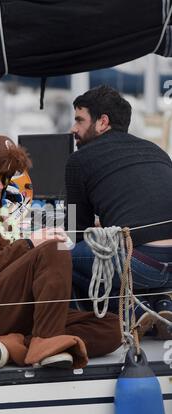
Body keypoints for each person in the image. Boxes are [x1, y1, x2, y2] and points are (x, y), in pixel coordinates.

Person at [0, 133, 121, 370]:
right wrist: (30, 244)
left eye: (3, 178)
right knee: (52, 248)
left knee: (112, 328)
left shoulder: (2, 222)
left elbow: (19, 268)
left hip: (14, 313)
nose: (0, 186)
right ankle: (46, 342)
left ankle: (18, 345)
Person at [65, 85, 172, 339]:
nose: (74, 129)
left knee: (61, 259)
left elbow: (75, 232)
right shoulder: (157, 151)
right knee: (129, 253)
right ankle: (164, 304)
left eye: (80, 120)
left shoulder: (79, 161)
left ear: (103, 122)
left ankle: (130, 310)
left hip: (138, 265)